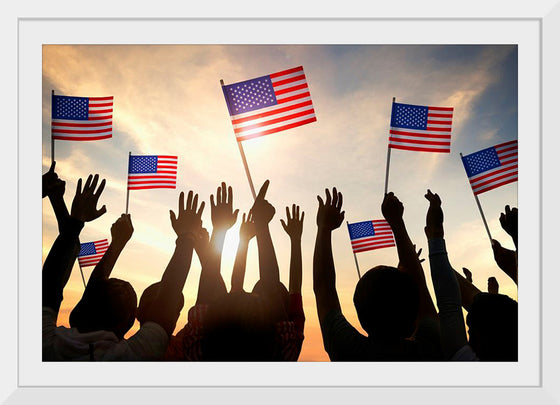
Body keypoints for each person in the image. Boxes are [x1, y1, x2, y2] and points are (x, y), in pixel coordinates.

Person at [313, 188, 441, 361]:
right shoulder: (431, 349)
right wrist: (397, 223)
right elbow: (419, 284)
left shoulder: (347, 350)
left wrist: (324, 228)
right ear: (412, 317)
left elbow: (324, 288)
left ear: (361, 315)